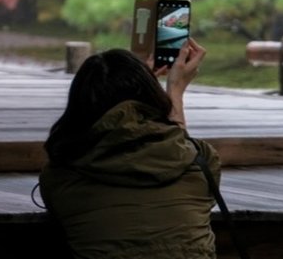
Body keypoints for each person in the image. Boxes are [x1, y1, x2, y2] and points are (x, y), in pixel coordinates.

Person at [38, 38, 220, 259]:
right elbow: (177, 149)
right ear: (152, 96)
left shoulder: (60, 178)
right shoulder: (203, 163)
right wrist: (174, 91)